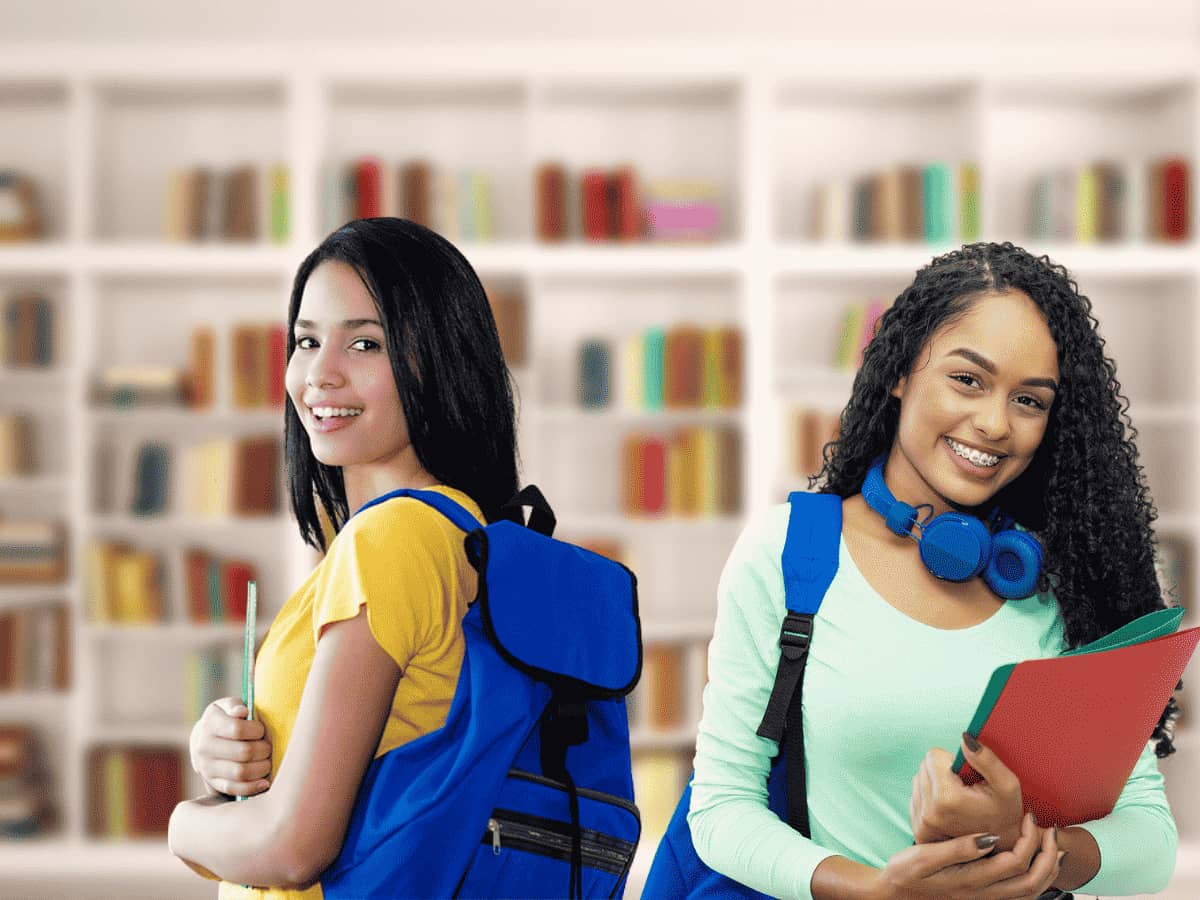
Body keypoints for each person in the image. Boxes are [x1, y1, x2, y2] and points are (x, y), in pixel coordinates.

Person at [687, 242, 1179, 899]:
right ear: (900, 371)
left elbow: (1149, 838)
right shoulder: (788, 555)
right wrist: (876, 892)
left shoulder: (1071, 582)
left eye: (1029, 401)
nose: (995, 424)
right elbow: (721, 809)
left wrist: (1032, 850)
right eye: (968, 380)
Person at [168, 217, 519, 898]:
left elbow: (294, 846)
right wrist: (230, 755)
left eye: (365, 343)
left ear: (439, 361)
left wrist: (186, 824)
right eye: (306, 341)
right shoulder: (460, 533)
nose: (320, 375)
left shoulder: (391, 542)